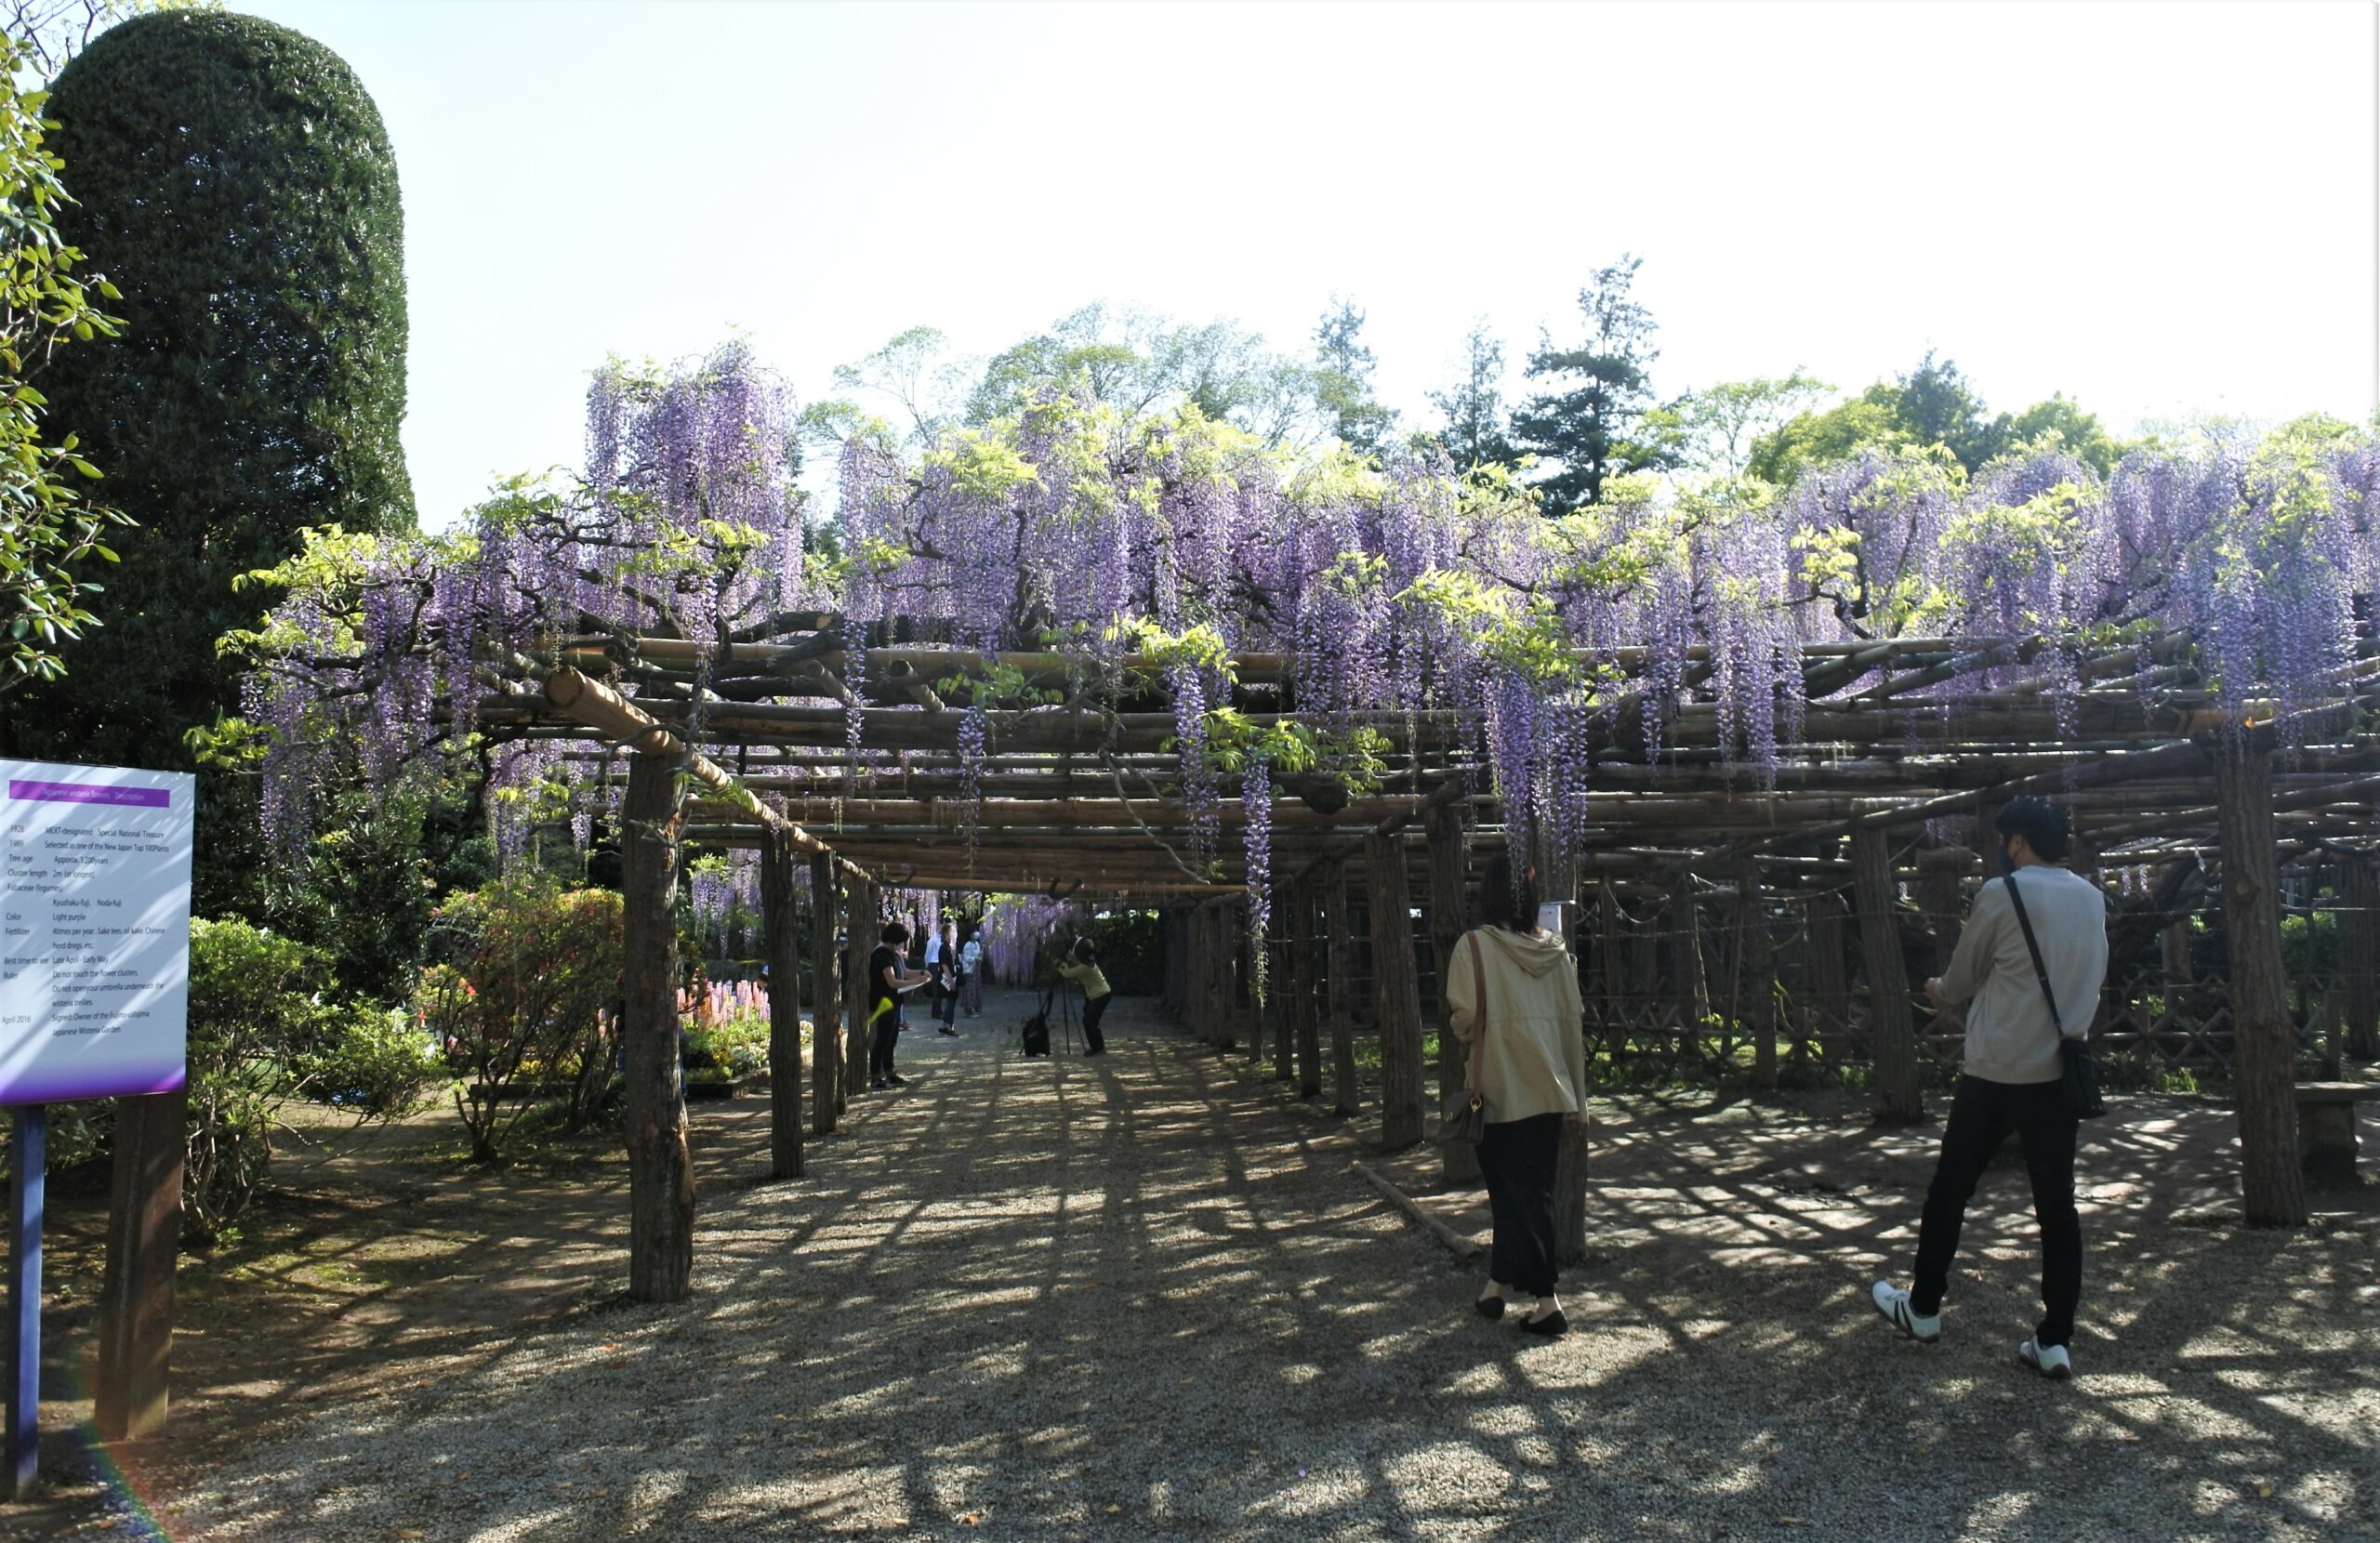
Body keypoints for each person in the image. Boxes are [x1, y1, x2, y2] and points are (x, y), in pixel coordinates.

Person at [1871, 797, 2109, 1380]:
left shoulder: (2003, 893)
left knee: (1950, 1191)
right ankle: (2054, 1339)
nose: (2004, 849)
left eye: (2007, 840)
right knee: (2058, 1209)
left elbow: (1963, 976)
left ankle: (1923, 1309)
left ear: (2019, 842)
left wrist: (1939, 990)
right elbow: (2091, 977)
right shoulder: (2093, 898)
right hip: (2058, 1074)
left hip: (1996, 1073)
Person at [1445, 851, 1588, 1338]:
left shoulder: (1473, 947)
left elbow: (1464, 1019)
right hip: (1548, 1087)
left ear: (1488, 895)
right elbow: (1574, 1019)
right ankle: (1496, 1287)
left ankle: (1548, 1301)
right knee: (1520, 1190)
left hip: (1500, 1087)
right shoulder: (1556, 951)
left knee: (1521, 1194)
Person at [867, 921, 932, 1090]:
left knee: (892, 1038)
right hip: (884, 1002)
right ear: (895, 939)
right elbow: (892, 981)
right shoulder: (881, 955)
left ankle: (890, 1071)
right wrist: (916, 981)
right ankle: (875, 1076)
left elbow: (904, 972)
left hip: (895, 1002)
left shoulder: (893, 954)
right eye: (902, 941)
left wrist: (922, 973)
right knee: (883, 1039)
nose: (903, 945)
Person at [1051, 937, 1112, 1055]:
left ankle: (1098, 1048)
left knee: (1088, 1020)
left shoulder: (1085, 967)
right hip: (1099, 994)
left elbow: (1067, 973)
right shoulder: (1088, 961)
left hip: (1100, 995)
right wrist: (1067, 954)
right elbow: (1074, 959)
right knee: (1090, 1020)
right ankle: (1097, 1047)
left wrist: (1059, 964)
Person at [935, 921, 961, 1035]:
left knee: (951, 1002)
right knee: (951, 1002)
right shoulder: (944, 948)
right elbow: (944, 965)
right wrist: (951, 981)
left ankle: (944, 1025)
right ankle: (950, 1027)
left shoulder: (950, 947)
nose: (954, 934)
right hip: (948, 978)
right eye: (952, 932)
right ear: (945, 934)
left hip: (952, 977)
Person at [959, 927, 985, 1017]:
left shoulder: (977, 944)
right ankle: (969, 1009)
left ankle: (975, 1007)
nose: (976, 934)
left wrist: (981, 956)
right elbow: (966, 958)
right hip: (969, 969)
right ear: (970, 935)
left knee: (976, 988)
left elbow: (979, 955)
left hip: (976, 969)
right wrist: (976, 958)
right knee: (970, 988)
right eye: (974, 932)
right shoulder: (967, 945)